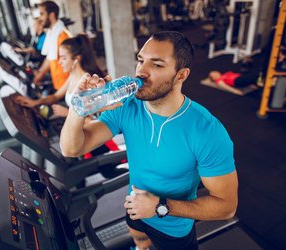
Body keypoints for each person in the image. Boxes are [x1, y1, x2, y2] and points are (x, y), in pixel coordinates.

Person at [60, 31, 238, 250]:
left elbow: (227, 206)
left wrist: (160, 207)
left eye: (157, 65)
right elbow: (71, 148)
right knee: (139, 238)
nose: (141, 71)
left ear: (181, 75)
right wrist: (79, 106)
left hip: (173, 226)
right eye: (140, 60)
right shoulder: (127, 106)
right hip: (135, 207)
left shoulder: (207, 132)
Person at [14, 34, 103, 116]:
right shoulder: (73, 75)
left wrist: (67, 113)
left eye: (64, 58)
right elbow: (55, 96)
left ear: (77, 59)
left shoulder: (88, 83)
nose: (60, 62)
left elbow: (95, 121)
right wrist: (35, 102)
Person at [33, 1, 71, 90]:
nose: (40, 18)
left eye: (42, 14)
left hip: (66, 86)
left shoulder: (62, 35)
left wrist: (40, 75)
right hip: (59, 84)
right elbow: (49, 57)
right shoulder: (52, 32)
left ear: (51, 15)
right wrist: (39, 72)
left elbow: (51, 59)